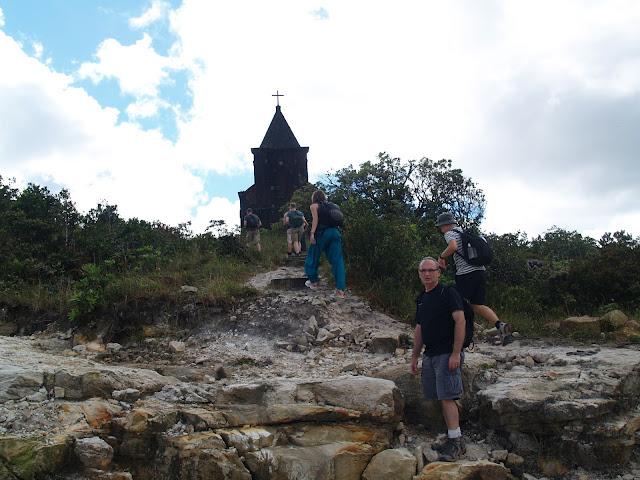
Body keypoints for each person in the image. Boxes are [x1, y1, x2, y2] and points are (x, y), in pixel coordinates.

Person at [410, 257, 466, 462]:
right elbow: (420, 329)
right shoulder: (422, 299)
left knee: (447, 396)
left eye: (431, 270)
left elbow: (460, 320)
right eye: (423, 270)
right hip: (430, 354)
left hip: (446, 353)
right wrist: (415, 355)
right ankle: (451, 437)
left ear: (438, 272)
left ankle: (457, 442)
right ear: (419, 274)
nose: (427, 274)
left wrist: (455, 353)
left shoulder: (447, 293)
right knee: (440, 396)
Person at [435, 212, 513, 345]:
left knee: (457, 303)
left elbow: (453, 246)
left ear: (446, 225)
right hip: (480, 272)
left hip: (466, 274)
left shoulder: (450, 234)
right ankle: (500, 325)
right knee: (477, 305)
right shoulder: (465, 233)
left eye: (441, 227)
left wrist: (441, 257)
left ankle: (458, 334)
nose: (441, 230)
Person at [304, 190, 346, 298]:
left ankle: (314, 282)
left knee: (312, 257)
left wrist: (312, 233)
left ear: (314, 197)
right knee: (337, 261)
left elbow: (315, 220)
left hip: (322, 233)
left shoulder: (314, 206)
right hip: (336, 233)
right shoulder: (334, 206)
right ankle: (340, 291)